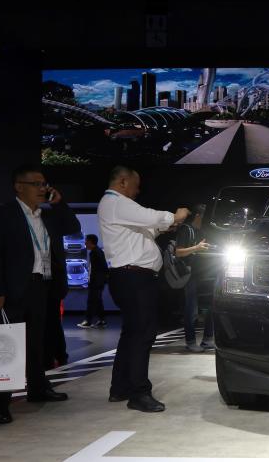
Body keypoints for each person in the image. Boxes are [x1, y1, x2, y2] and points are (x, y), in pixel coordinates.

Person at [0, 164, 80, 424]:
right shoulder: (2, 214)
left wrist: (59, 204)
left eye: (44, 183)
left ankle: (37, 389)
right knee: (6, 347)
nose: (42, 188)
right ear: (19, 186)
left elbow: (73, 226)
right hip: (13, 290)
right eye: (36, 184)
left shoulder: (48, 215)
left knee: (38, 344)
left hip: (42, 287)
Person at [98, 166, 189, 412]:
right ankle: (139, 393)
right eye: (136, 185)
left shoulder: (116, 207)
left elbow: (146, 228)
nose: (138, 191)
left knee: (131, 334)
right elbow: (151, 217)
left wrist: (164, 226)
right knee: (143, 334)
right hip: (134, 278)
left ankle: (120, 387)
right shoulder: (116, 202)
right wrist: (176, 216)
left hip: (130, 277)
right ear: (123, 181)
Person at [175, 204, 212, 352]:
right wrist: (196, 248)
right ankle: (190, 342)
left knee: (211, 307)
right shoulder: (186, 229)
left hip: (204, 274)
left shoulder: (201, 231)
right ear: (198, 215)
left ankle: (208, 340)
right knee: (191, 310)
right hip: (190, 275)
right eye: (204, 216)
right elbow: (178, 252)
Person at [78, 234, 109, 328]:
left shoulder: (95, 252)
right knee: (97, 301)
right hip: (98, 281)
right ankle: (102, 320)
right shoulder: (97, 251)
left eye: (86, 241)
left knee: (91, 301)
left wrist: (95, 281)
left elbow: (101, 268)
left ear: (91, 242)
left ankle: (88, 321)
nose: (85, 243)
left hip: (96, 282)